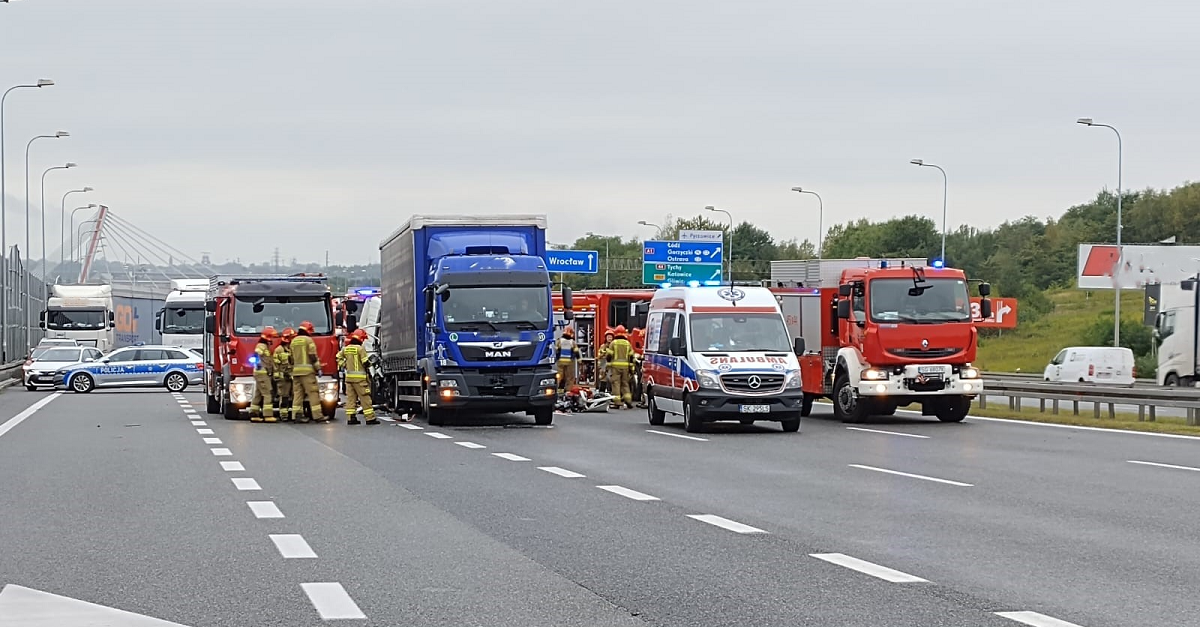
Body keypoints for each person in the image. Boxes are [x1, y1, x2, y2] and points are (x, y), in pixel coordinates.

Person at [338, 329, 377, 425]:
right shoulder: (360, 349)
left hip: (349, 379)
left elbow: (338, 357)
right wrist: (372, 363)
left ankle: (351, 418)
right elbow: (365, 362)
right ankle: (370, 418)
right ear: (361, 339)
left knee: (351, 399)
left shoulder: (346, 349)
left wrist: (345, 365)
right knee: (365, 398)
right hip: (360, 380)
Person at [290, 320, 326, 423]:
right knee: (313, 393)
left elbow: (290, 358)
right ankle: (317, 416)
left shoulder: (293, 341)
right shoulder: (308, 340)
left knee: (298, 394)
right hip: (307, 373)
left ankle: (296, 415)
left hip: (296, 372)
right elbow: (312, 356)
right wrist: (318, 368)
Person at [602, 325, 636, 410]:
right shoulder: (628, 344)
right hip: (626, 367)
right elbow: (631, 357)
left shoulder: (614, 343)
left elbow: (609, 355)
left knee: (616, 384)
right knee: (625, 384)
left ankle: (617, 402)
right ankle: (628, 401)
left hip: (615, 367)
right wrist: (631, 369)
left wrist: (608, 365)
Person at [250, 327, 278, 423]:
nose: (272, 340)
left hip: (261, 373)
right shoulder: (261, 346)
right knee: (268, 393)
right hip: (262, 373)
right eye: (272, 337)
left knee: (258, 394)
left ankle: (254, 414)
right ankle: (268, 415)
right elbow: (256, 354)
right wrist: (258, 363)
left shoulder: (265, 346)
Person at [273, 327, 295, 421]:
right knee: (284, 397)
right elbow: (275, 365)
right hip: (283, 379)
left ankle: (296, 414)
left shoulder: (293, 349)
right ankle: (284, 415)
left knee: (296, 396)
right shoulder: (278, 350)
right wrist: (279, 377)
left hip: (293, 377)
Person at [556, 326, 580, 394]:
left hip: (560, 362)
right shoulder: (572, 342)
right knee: (570, 377)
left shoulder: (559, 341)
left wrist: (557, 359)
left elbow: (556, 351)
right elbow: (576, 351)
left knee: (560, 376)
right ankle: (568, 391)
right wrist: (579, 359)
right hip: (570, 362)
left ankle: (560, 390)